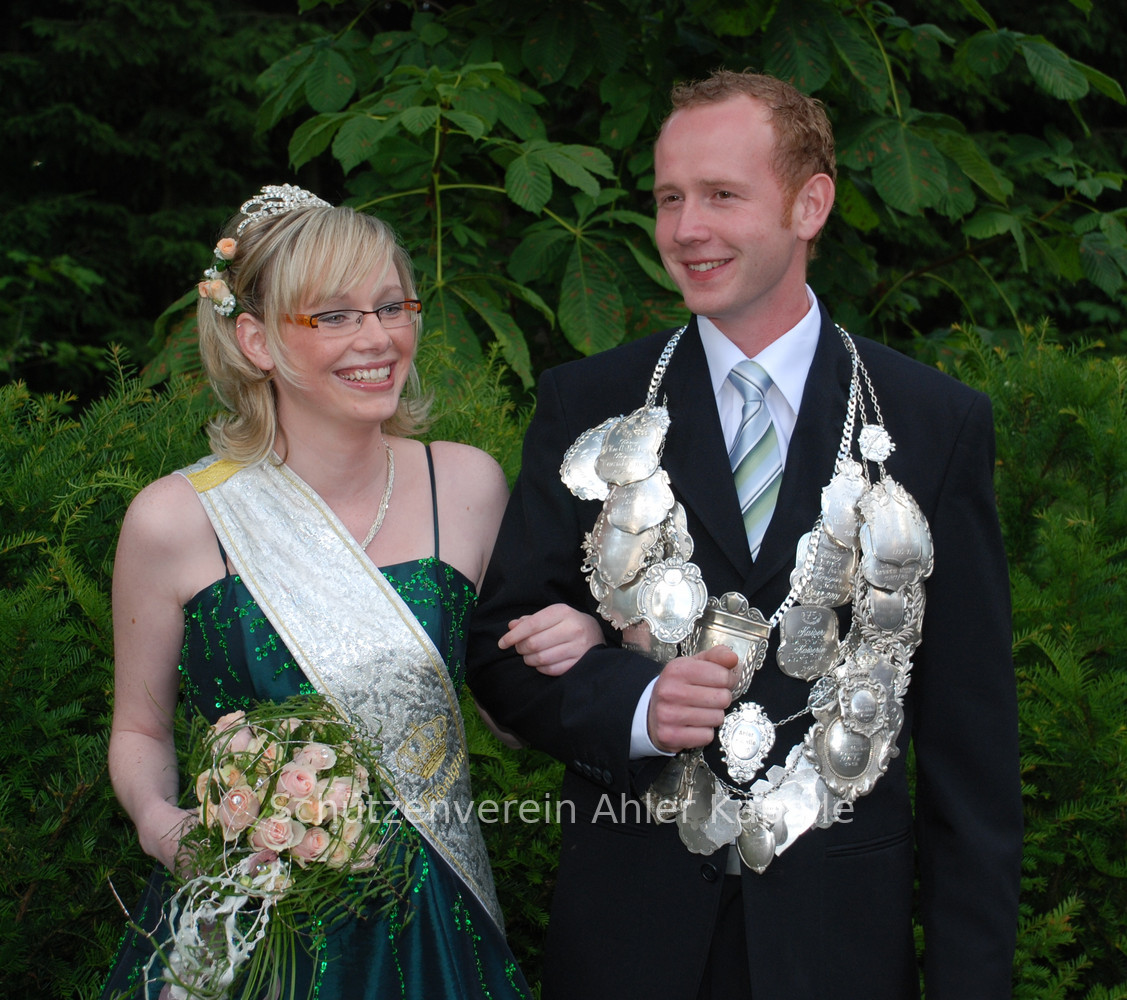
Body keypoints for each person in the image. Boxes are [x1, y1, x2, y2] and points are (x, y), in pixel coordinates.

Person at [467, 70, 1023, 999]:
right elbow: (499, 652)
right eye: (668, 198)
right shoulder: (588, 402)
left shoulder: (933, 423)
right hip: (628, 946)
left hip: (837, 953)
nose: (686, 228)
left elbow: (971, 754)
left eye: (721, 195)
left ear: (810, 205)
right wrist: (632, 703)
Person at [104, 185, 546, 999]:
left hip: (433, 926)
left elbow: (509, 711)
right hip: (247, 930)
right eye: (334, 315)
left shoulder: (467, 487)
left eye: (391, 306)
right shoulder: (175, 521)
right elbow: (138, 728)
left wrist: (578, 649)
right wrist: (165, 828)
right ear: (255, 340)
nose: (377, 337)